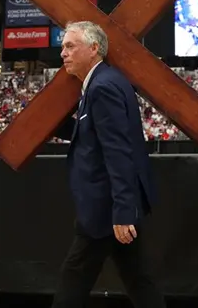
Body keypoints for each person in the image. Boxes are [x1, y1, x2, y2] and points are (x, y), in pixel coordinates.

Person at [51, 21, 165, 308]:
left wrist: (123, 211)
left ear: (94, 48)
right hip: (113, 205)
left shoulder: (102, 87)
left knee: (73, 280)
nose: (63, 53)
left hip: (105, 208)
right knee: (138, 280)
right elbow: (95, 135)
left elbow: (118, 151)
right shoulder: (102, 82)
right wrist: (55, 124)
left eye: (70, 46)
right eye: (63, 47)